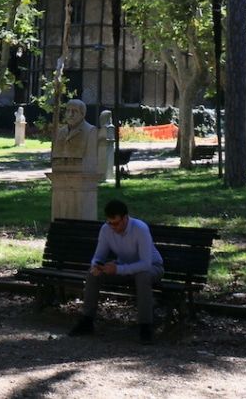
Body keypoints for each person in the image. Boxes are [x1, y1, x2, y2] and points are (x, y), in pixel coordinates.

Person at [69, 199, 164, 344]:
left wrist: (118, 269)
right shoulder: (106, 230)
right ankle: (87, 321)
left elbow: (145, 264)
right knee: (92, 274)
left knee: (142, 276)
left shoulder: (140, 229)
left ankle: (145, 327)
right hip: (124, 267)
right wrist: (97, 266)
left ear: (125, 218)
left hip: (152, 267)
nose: (113, 227)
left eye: (116, 223)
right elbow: (98, 256)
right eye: (110, 223)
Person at [52, 99, 97, 168]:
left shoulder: (91, 130)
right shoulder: (61, 131)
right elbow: (57, 154)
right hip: (61, 170)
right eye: (68, 111)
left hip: (81, 171)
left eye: (74, 111)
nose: (70, 114)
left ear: (82, 114)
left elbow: (91, 159)